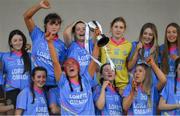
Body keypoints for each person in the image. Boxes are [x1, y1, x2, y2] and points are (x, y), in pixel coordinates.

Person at [46, 31, 100, 115]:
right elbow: (55, 62)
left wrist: (97, 41)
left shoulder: (86, 79)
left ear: (78, 68)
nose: (70, 65)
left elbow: (94, 60)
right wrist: (49, 42)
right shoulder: (62, 81)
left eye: (73, 63)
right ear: (65, 70)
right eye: (67, 65)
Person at [23, 0, 67, 88]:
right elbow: (26, 17)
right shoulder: (37, 35)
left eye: (57, 24)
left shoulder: (61, 45)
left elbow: (60, 66)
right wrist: (39, 6)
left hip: (53, 85)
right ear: (45, 25)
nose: (54, 27)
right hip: (36, 82)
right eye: (51, 24)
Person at [1, 30, 31, 114]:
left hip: (26, 91)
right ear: (11, 43)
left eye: (20, 40)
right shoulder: (5, 56)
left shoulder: (30, 56)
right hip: (11, 91)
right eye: (15, 40)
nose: (18, 43)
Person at [100, 16, 132, 95]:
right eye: (116, 27)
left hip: (122, 85)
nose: (118, 30)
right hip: (106, 84)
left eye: (121, 27)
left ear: (124, 30)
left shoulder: (129, 45)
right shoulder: (103, 42)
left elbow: (130, 66)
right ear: (111, 28)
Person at [63, 20, 98, 87]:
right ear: (74, 33)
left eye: (84, 29)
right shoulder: (71, 45)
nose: (81, 31)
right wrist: (76, 21)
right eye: (78, 29)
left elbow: (97, 33)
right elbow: (66, 33)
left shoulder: (91, 44)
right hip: (75, 83)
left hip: (90, 83)